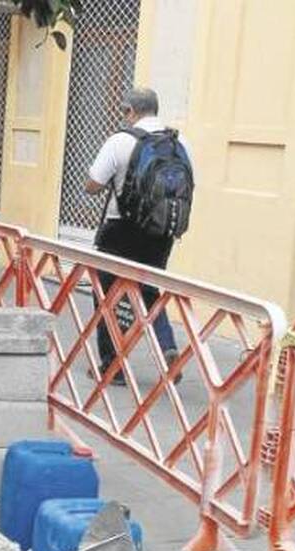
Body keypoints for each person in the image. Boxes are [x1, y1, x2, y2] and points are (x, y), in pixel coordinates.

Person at [84, 87, 194, 385]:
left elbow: (93, 185)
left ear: (130, 111)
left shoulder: (120, 140)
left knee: (108, 295)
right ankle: (167, 347)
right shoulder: (180, 143)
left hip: (121, 231)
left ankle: (113, 367)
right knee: (148, 291)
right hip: (161, 232)